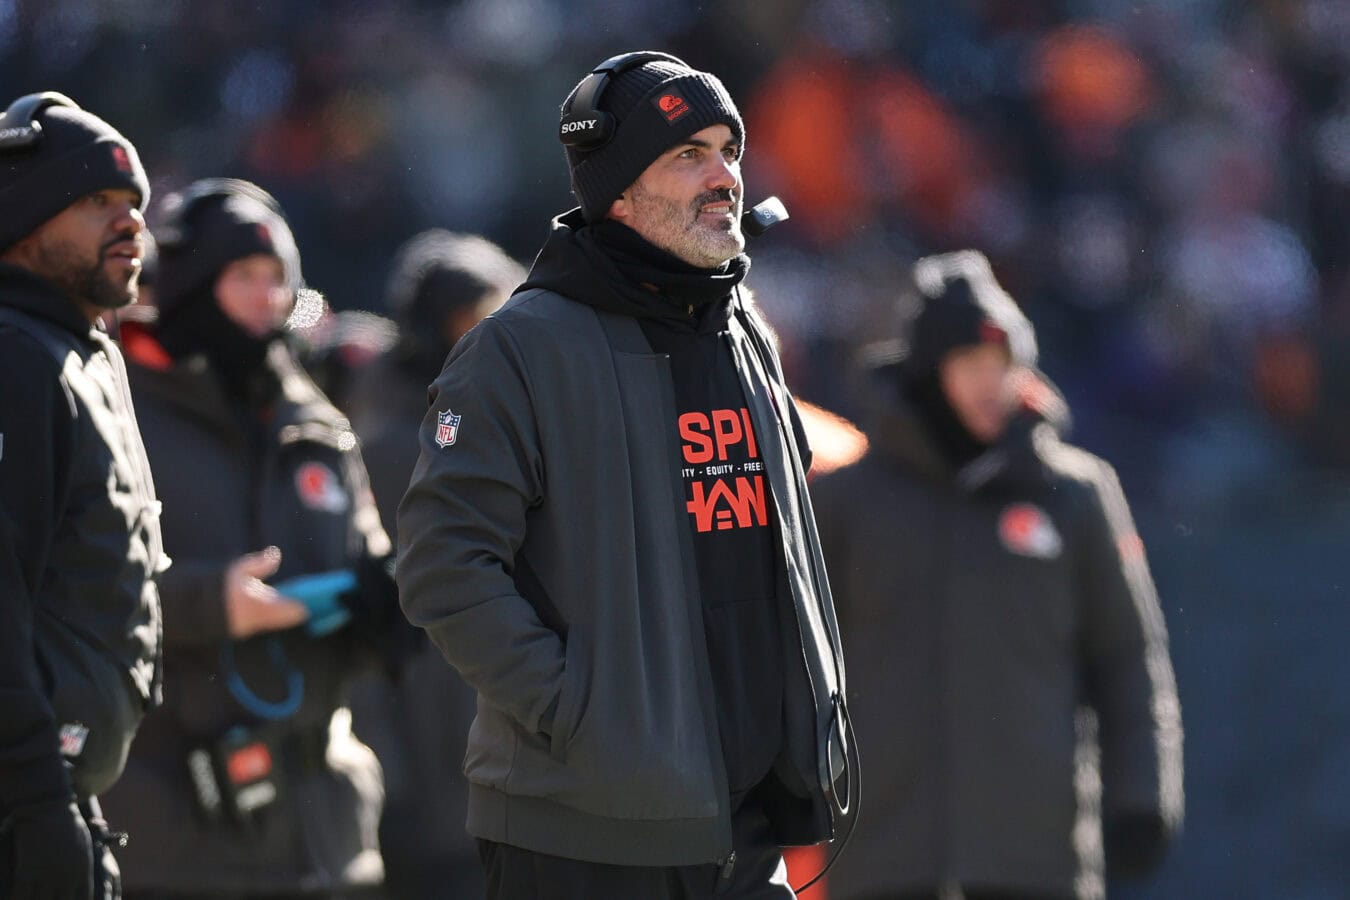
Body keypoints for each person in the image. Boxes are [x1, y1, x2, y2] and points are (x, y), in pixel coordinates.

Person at [396, 50, 851, 899]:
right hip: (586, 838)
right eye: (689, 154)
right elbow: (442, 566)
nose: (726, 177)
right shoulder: (517, 348)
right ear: (616, 189)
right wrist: (582, 714)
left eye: (730, 150)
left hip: (747, 826)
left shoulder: (744, 332)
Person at [812, 250, 1184, 900]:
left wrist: (1141, 798)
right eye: (969, 364)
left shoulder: (1076, 496)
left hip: (1034, 855)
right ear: (929, 374)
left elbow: (1128, 658)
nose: (991, 384)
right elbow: (796, 662)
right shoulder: (848, 503)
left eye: (1003, 364)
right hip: (880, 854)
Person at [100, 178, 401, 899]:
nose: (267, 299)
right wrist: (211, 606)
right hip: (172, 843)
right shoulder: (113, 406)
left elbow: (364, 552)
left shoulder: (317, 419)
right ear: (192, 284)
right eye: (244, 276)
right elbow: (65, 589)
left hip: (325, 837)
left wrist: (388, 603)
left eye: (278, 280)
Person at [0, 91, 165, 900]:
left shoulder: (78, 353)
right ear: (22, 221)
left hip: (59, 805)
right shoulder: (14, 360)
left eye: (133, 203)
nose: (131, 221)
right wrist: (38, 806)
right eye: (96, 200)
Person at [343, 229, 524, 900]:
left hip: (512, 768)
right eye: (476, 317)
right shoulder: (392, 448)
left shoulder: (500, 421)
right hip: (434, 779)